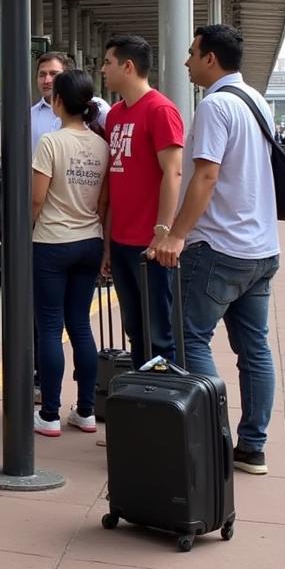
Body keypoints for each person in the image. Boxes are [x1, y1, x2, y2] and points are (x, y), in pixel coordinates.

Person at [149, 25, 280, 475]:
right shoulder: (256, 101)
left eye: (191, 54)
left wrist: (176, 234)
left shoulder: (216, 106)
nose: (186, 62)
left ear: (210, 59)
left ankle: (212, 439)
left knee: (191, 339)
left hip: (219, 247)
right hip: (261, 250)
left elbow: (205, 177)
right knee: (255, 349)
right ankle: (252, 446)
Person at [31, 70, 110, 437]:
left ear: (59, 102)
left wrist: (26, 231)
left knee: (49, 326)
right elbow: (105, 202)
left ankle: (48, 413)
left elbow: (36, 198)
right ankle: (87, 410)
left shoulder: (50, 141)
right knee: (79, 324)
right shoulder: (101, 145)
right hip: (90, 241)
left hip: (51, 242)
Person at [101, 34, 184, 367]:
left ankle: (165, 406)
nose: (103, 70)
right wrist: (107, 244)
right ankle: (142, 402)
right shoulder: (115, 115)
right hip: (121, 242)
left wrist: (162, 232)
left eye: (108, 63)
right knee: (134, 330)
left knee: (160, 333)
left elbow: (173, 173)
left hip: (151, 246)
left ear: (128, 66)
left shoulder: (161, 110)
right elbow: (114, 181)